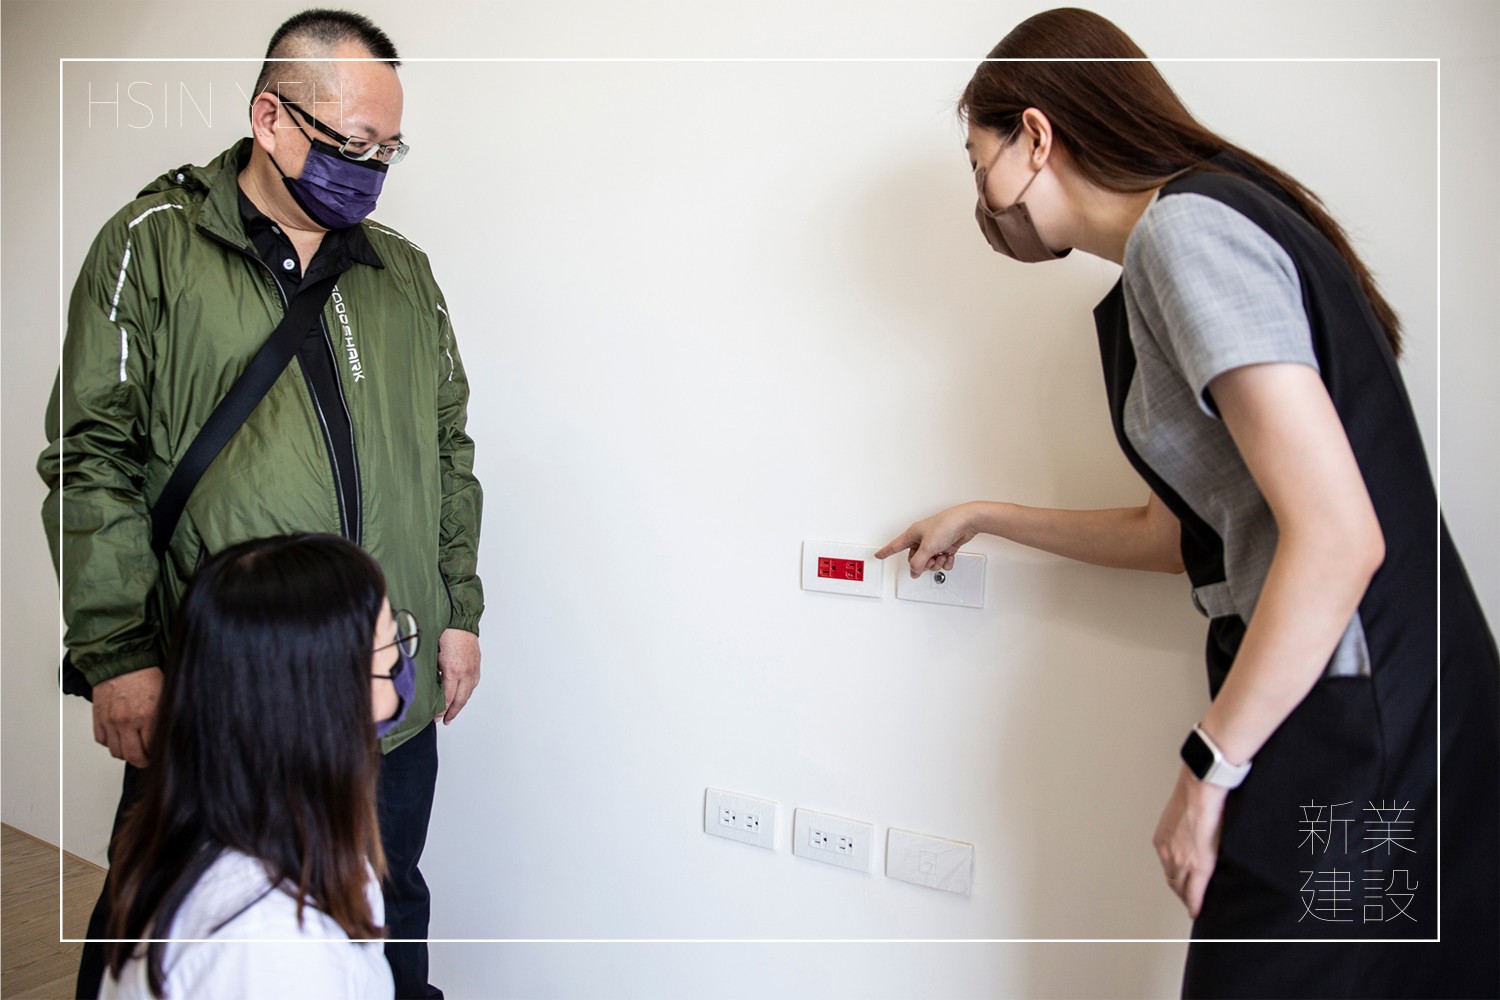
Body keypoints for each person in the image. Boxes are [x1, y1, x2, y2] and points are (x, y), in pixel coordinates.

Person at [875, 9, 1498, 998]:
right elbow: (1181, 534)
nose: (982, 200)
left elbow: (1339, 539)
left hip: (1353, 706)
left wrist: (1208, 769)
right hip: (1372, 690)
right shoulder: (1193, 237)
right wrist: (988, 515)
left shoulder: (1185, 233)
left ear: (1035, 136)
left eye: (978, 161)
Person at [39, 10, 483, 998]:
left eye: (388, 149)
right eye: (352, 145)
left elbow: (447, 450)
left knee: (385, 906)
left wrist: (459, 610)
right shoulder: (153, 246)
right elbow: (87, 455)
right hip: (232, 693)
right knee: (167, 916)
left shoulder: (402, 272)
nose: (371, 170)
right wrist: (118, 652)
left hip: (385, 686)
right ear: (271, 118)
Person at [100, 534, 408, 999]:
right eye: (391, 649)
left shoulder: (226, 844)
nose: (403, 668)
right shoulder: (272, 949)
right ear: (322, 696)